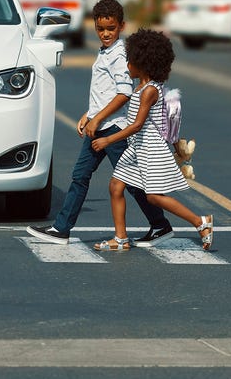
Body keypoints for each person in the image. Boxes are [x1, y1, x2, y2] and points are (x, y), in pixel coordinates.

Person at [26, 0, 174, 247]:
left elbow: (123, 93)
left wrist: (99, 117)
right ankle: (61, 229)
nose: (106, 33)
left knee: (131, 183)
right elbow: (103, 92)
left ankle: (160, 224)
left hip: (113, 128)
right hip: (100, 124)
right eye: (101, 29)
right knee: (81, 176)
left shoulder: (119, 55)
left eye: (111, 29)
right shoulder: (105, 51)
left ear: (121, 26)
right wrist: (89, 113)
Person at [90, 29, 213, 252]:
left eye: (130, 61)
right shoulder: (141, 88)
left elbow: (136, 125)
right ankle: (120, 239)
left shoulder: (149, 91)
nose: (127, 65)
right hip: (136, 148)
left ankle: (200, 222)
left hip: (150, 148)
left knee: (154, 197)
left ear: (143, 63)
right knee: (116, 186)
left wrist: (108, 140)